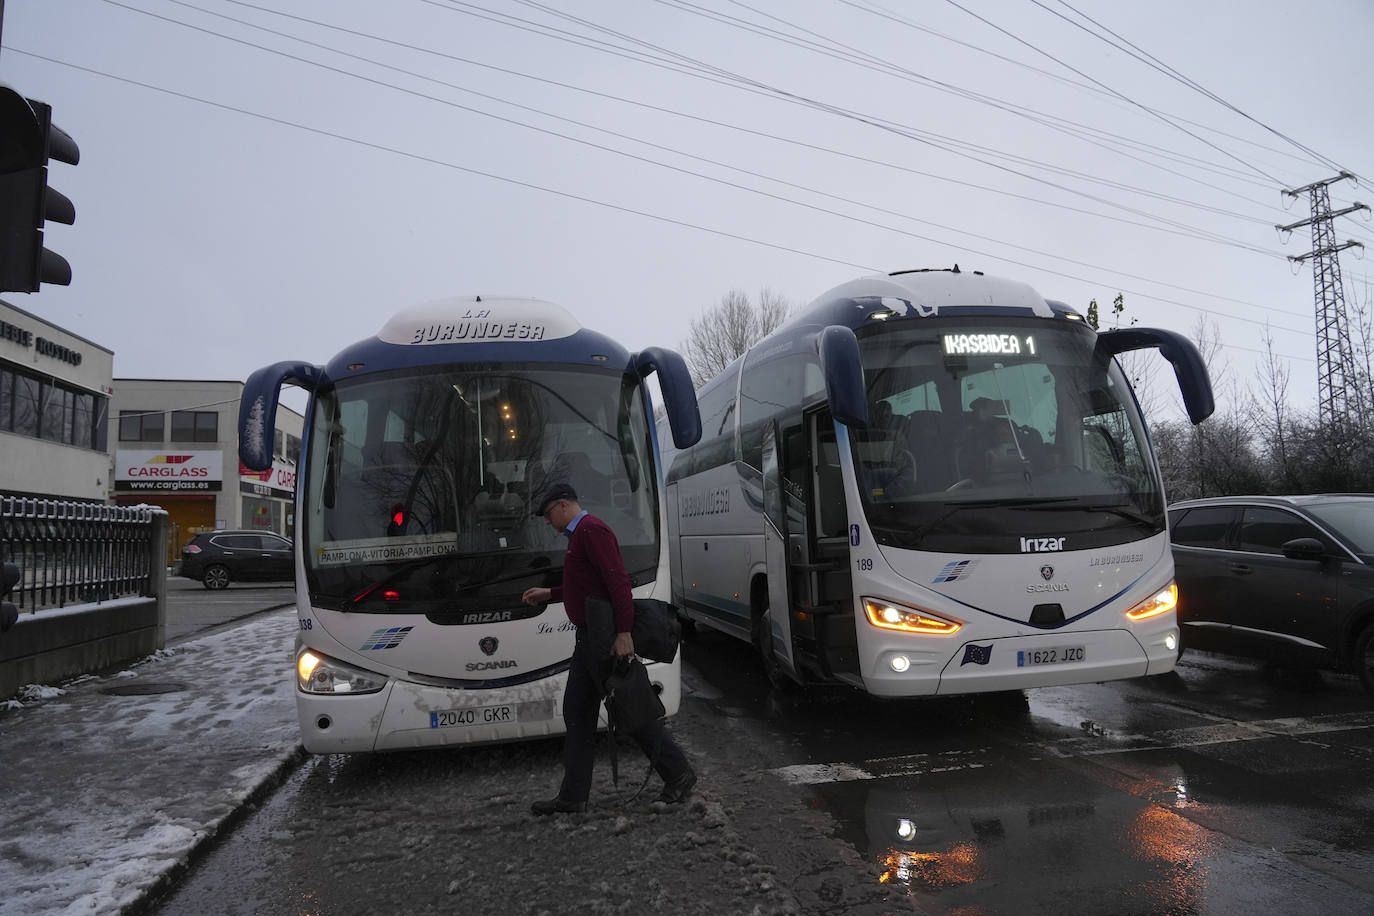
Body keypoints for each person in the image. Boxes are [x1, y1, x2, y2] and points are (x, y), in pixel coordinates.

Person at [521, 483, 696, 815]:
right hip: (588, 637)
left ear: (561, 505)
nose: (547, 522)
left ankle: (678, 774)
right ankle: (573, 797)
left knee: (631, 708)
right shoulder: (581, 536)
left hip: (602, 637)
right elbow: (586, 585)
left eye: (547, 515)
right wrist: (550, 594)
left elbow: (617, 582)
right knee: (577, 711)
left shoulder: (593, 531)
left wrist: (624, 633)